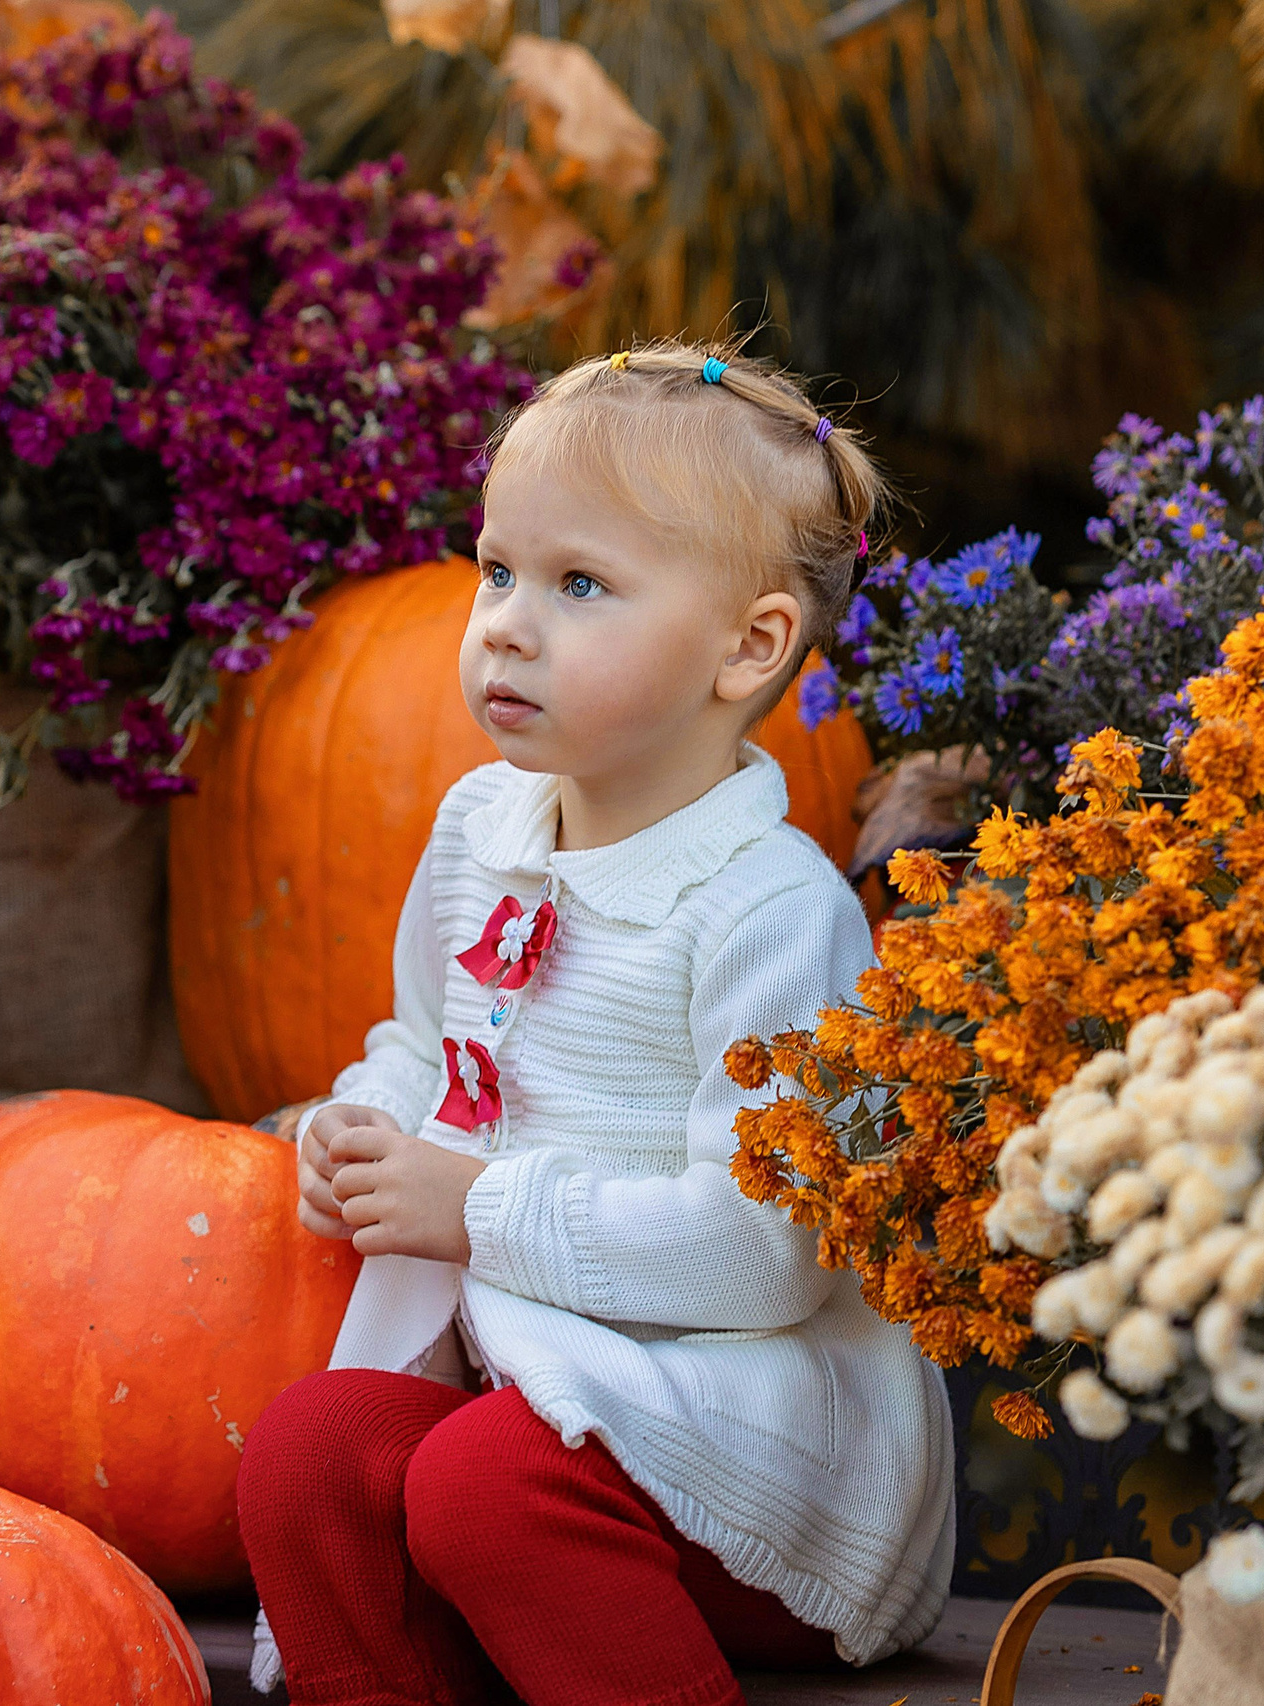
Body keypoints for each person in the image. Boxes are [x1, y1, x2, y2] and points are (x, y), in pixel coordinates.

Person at [236, 340, 955, 1706]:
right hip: (536, 1408)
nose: (506, 621)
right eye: (497, 569)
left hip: (751, 1459)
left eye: (580, 586)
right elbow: (428, 1045)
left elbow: (769, 1256)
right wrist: (366, 1122)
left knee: (478, 1482)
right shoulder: (476, 833)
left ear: (749, 649)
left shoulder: (771, 915)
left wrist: (478, 1209)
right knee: (314, 1451)